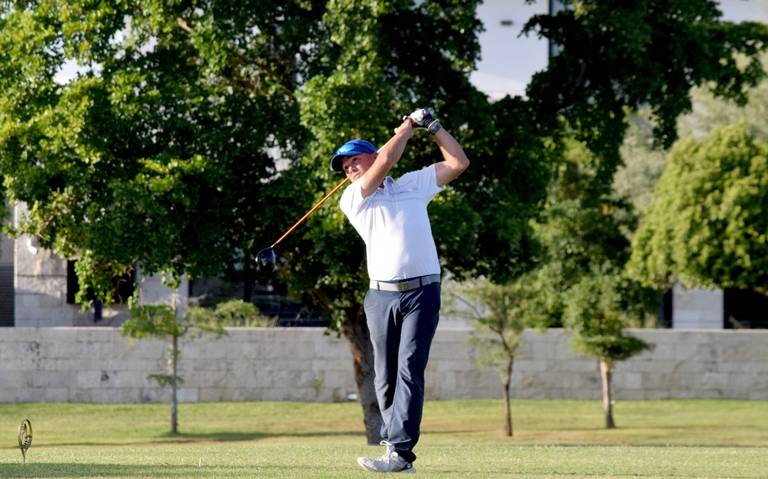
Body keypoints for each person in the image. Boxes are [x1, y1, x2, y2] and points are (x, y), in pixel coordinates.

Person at [330, 108, 470, 473]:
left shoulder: (413, 184)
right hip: (381, 297)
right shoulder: (354, 198)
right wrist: (408, 127)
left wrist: (433, 126)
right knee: (386, 374)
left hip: (423, 293)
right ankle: (394, 447)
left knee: (410, 367)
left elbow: (458, 161)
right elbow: (388, 157)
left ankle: (400, 452)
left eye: (353, 161)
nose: (349, 170)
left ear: (371, 156)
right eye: (343, 167)